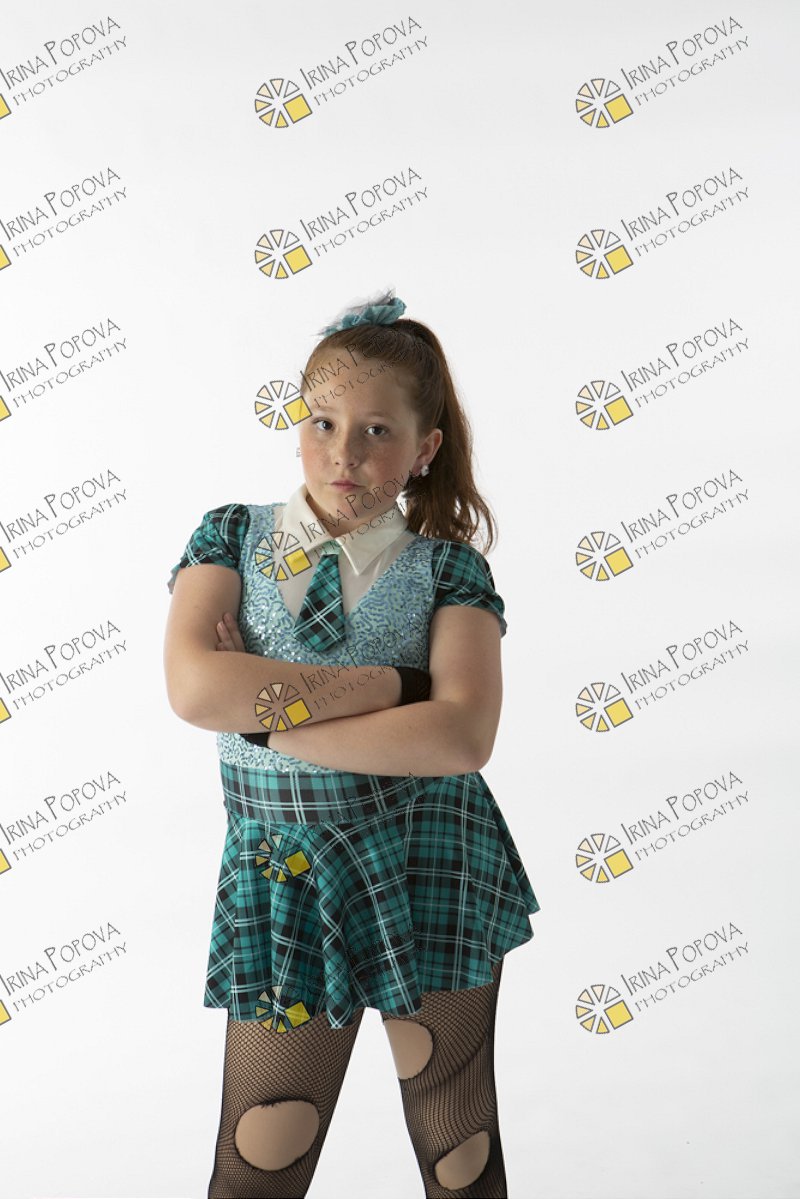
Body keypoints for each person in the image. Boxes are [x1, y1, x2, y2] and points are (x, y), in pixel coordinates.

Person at [163, 290, 540, 1198]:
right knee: (261, 1154)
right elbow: (196, 690)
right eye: (324, 424)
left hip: (430, 854)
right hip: (283, 875)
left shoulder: (449, 570)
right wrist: (389, 689)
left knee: (456, 1139)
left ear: (424, 448)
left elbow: (460, 735)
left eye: (377, 431)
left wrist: (265, 714)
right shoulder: (231, 536)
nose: (345, 453)